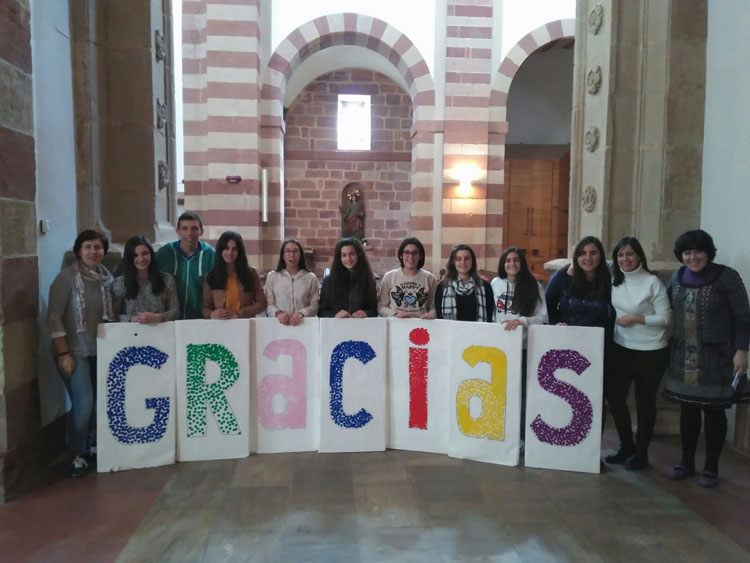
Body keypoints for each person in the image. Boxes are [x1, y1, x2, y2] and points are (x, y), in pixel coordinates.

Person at [664, 230, 750, 488]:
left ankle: (711, 467)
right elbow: (665, 308)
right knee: (688, 410)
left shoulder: (727, 277)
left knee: (714, 411)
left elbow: (743, 317)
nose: (693, 257)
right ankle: (686, 462)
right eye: (687, 252)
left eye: (698, 251)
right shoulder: (677, 278)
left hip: (717, 358)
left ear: (708, 252)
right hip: (683, 357)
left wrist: (741, 350)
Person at [48, 230, 114, 477]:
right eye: (88, 247)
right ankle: (76, 453)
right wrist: (63, 352)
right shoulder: (66, 279)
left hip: (100, 350)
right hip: (73, 351)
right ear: (78, 250)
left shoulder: (106, 279)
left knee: (99, 402)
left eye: (98, 247)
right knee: (84, 404)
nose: (93, 252)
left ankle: (90, 448)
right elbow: (53, 317)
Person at [605, 237, 671, 471]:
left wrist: (637, 319)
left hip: (650, 352)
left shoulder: (652, 282)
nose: (625, 259)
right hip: (621, 348)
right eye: (620, 255)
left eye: (630, 254)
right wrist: (570, 267)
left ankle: (641, 453)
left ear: (639, 256)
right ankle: (626, 446)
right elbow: (589, 261)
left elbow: (665, 319)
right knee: (614, 398)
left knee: (644, 403)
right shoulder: (615, 276)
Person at [491, 247, 548, 443]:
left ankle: (523, 437)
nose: (512, 264)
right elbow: (492, 314)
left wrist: (522, 321)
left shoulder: (534, 286)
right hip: (501, 348)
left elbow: (543, 317)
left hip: (524, 348)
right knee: (502, 392)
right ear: (502, 264)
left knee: (522, 393)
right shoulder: (495, 284)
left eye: (516, 260)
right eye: (508, 261)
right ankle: (504, 433)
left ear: (521, 263)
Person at [545, 235, 612, 333]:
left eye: (593, 253)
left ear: (601, 255)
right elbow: (547, 307)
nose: (588, 258)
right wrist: (556, 323)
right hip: (566, 336)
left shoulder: (608, 278)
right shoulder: (562, 276)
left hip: (598, 339)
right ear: (576, 257)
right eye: (583, 253)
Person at [155, 212, 215, 319]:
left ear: (201, 231)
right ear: (177, 231)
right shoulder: (164, 254)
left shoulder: (210, 254)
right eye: (185, 228)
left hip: (201, 319)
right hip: (169, 319)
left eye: (194, 228)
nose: (190, 233)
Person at [113, 236, 179, 323]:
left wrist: (158, 317)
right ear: (129, 258)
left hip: (160, 330)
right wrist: (131, 319)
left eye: (145, 253)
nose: (141, 259)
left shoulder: (167, 280)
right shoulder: (120, 283)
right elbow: (113, 314)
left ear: (151, 254)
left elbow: (175, 311)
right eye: (135, 255)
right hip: (131, 332)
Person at [202, 231, 266, 319]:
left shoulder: (251, 274)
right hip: (219, 325)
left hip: (244, 324)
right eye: (226, 248)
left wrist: (239, 314)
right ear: (220, 250)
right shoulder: (211, 276)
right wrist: (211, 314)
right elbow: (205, 307)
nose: (230, 253)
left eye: (234, 249)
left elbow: (262, 303)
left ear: (240, 251)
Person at [378, 237, 437, 319]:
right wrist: (395, 314)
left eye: (415, 253)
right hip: (397, 324)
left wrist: (430, 314)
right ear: (401, 255)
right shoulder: (389, 276)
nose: (411, 256)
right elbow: (381, 306)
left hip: (421, 324)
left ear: (420, 256)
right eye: (407, 252)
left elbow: (433, 307)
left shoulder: (429, 278)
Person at [318, 237, 377, 318]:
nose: (348, 259)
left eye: (352, 254)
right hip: (336, 326)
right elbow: (321, 311)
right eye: (344, 255)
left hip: (361, 326)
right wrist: (335, 315)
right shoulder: (329, 280)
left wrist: (366, 313)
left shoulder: (369, 280)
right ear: (339, 258)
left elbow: (374, 310)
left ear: (358, 255)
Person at [265, 239, 319, 325]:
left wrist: (302, 313)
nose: (292, 255)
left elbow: (315, 304)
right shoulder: (272, 277)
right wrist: (278, 313)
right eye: (288, 251)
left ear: (300, 254)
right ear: (283, 255)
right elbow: (268, 303)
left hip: (304, 324)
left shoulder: (310, 278)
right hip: (278, 324)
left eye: (295, 251)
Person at [435, 244, 494, 322]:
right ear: (453, 262)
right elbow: (439, 316)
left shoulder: (485, 286)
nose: (463, 262)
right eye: (458, 259)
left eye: (467, 258)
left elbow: (489, 316)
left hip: (478, 332)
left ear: (472, 261)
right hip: (450, 332)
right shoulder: (442, 286)